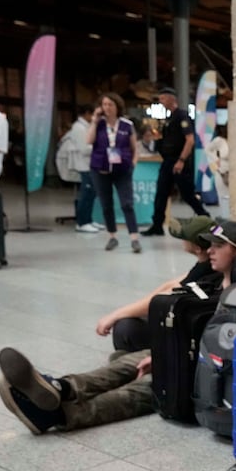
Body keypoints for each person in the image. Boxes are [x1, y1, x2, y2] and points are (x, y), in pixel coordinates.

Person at [0, 220, 236, 434]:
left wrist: (164, 358)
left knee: (146, 386)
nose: (209, 250)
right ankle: (61, 388)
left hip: (205, 373)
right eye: (209, 244)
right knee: (128, 363)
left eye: (218, 246)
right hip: (180, 358)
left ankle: (59, 414)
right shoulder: (211, 282)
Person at [96, 215, 217, 352]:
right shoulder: (205, 265)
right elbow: (171, 285)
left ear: (197, 248)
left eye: (185, 238)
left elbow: (162, 298)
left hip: (185, 335)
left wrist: (115, 315)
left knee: (125, 328)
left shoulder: (207, 270)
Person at [141, 87, 210, 236]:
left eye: (163, 98)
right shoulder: (168, 118)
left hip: (179, 161)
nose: (160, 102)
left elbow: (190, 140)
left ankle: (206, 219)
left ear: (172, 99)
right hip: (168, 161)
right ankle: (157, 225)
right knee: (161, 193)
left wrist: (181, 160)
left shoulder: (182, 116)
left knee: (187, 194)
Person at [86, 92, 141, 253]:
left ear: (117, 106)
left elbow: (134, 147)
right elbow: (88, 141)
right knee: (106, 204)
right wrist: (94, 122)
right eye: (104, 105)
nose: (107, 108)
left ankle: (134, 238)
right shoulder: (99, 124)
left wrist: (133, 163)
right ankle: (112, 236)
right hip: (100, 169)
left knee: (127, 204)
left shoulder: (126, 125)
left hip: (122, 169)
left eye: (110, 104)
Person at [58, 104, 100, 232]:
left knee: (91, 193)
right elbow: (84, 149)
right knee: (86, 194)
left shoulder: (85, 127)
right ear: (87, 113)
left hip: (90, 164)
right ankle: (82, 222)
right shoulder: (79, 128)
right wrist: (100, 148)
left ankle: (88, 219)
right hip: (84, 165)